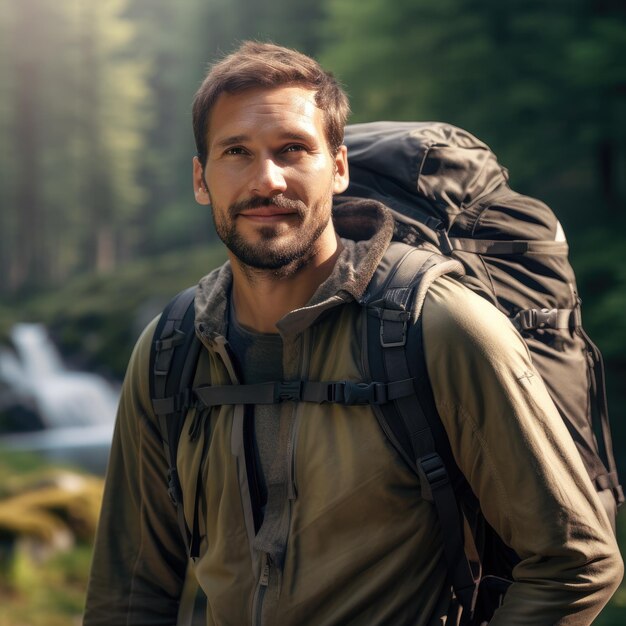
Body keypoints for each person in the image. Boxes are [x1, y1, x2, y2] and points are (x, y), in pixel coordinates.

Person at [83, 41, 623, 626]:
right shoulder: (171, 349)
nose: (266, 180)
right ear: (201, 178)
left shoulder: (440, 327)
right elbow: (127, 595)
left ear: (338, 168)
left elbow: (576, 562)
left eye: (293, 149)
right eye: (236, 152)